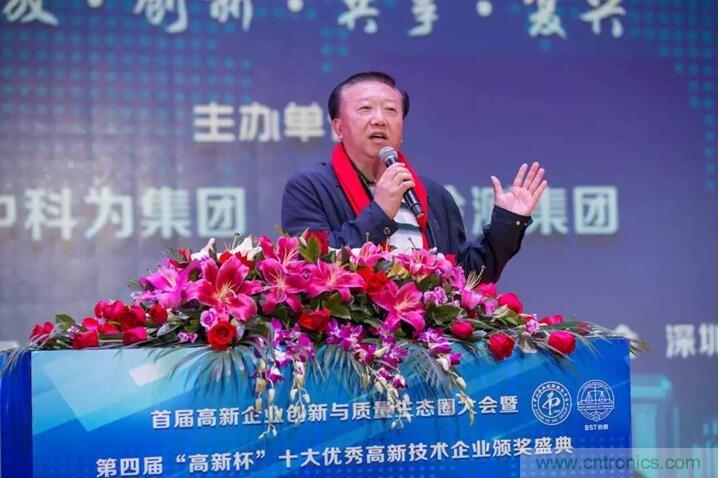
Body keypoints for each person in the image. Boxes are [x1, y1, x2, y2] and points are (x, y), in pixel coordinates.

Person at [281, 71, 547, 283]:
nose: (379, 120)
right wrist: (380, 212)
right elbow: (310, 268)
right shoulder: (310, 187)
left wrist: (507, 224)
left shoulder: (433, 195)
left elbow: (466, 278)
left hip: (426, 333)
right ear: (339, 127)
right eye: (365, 109)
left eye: (391, 110)